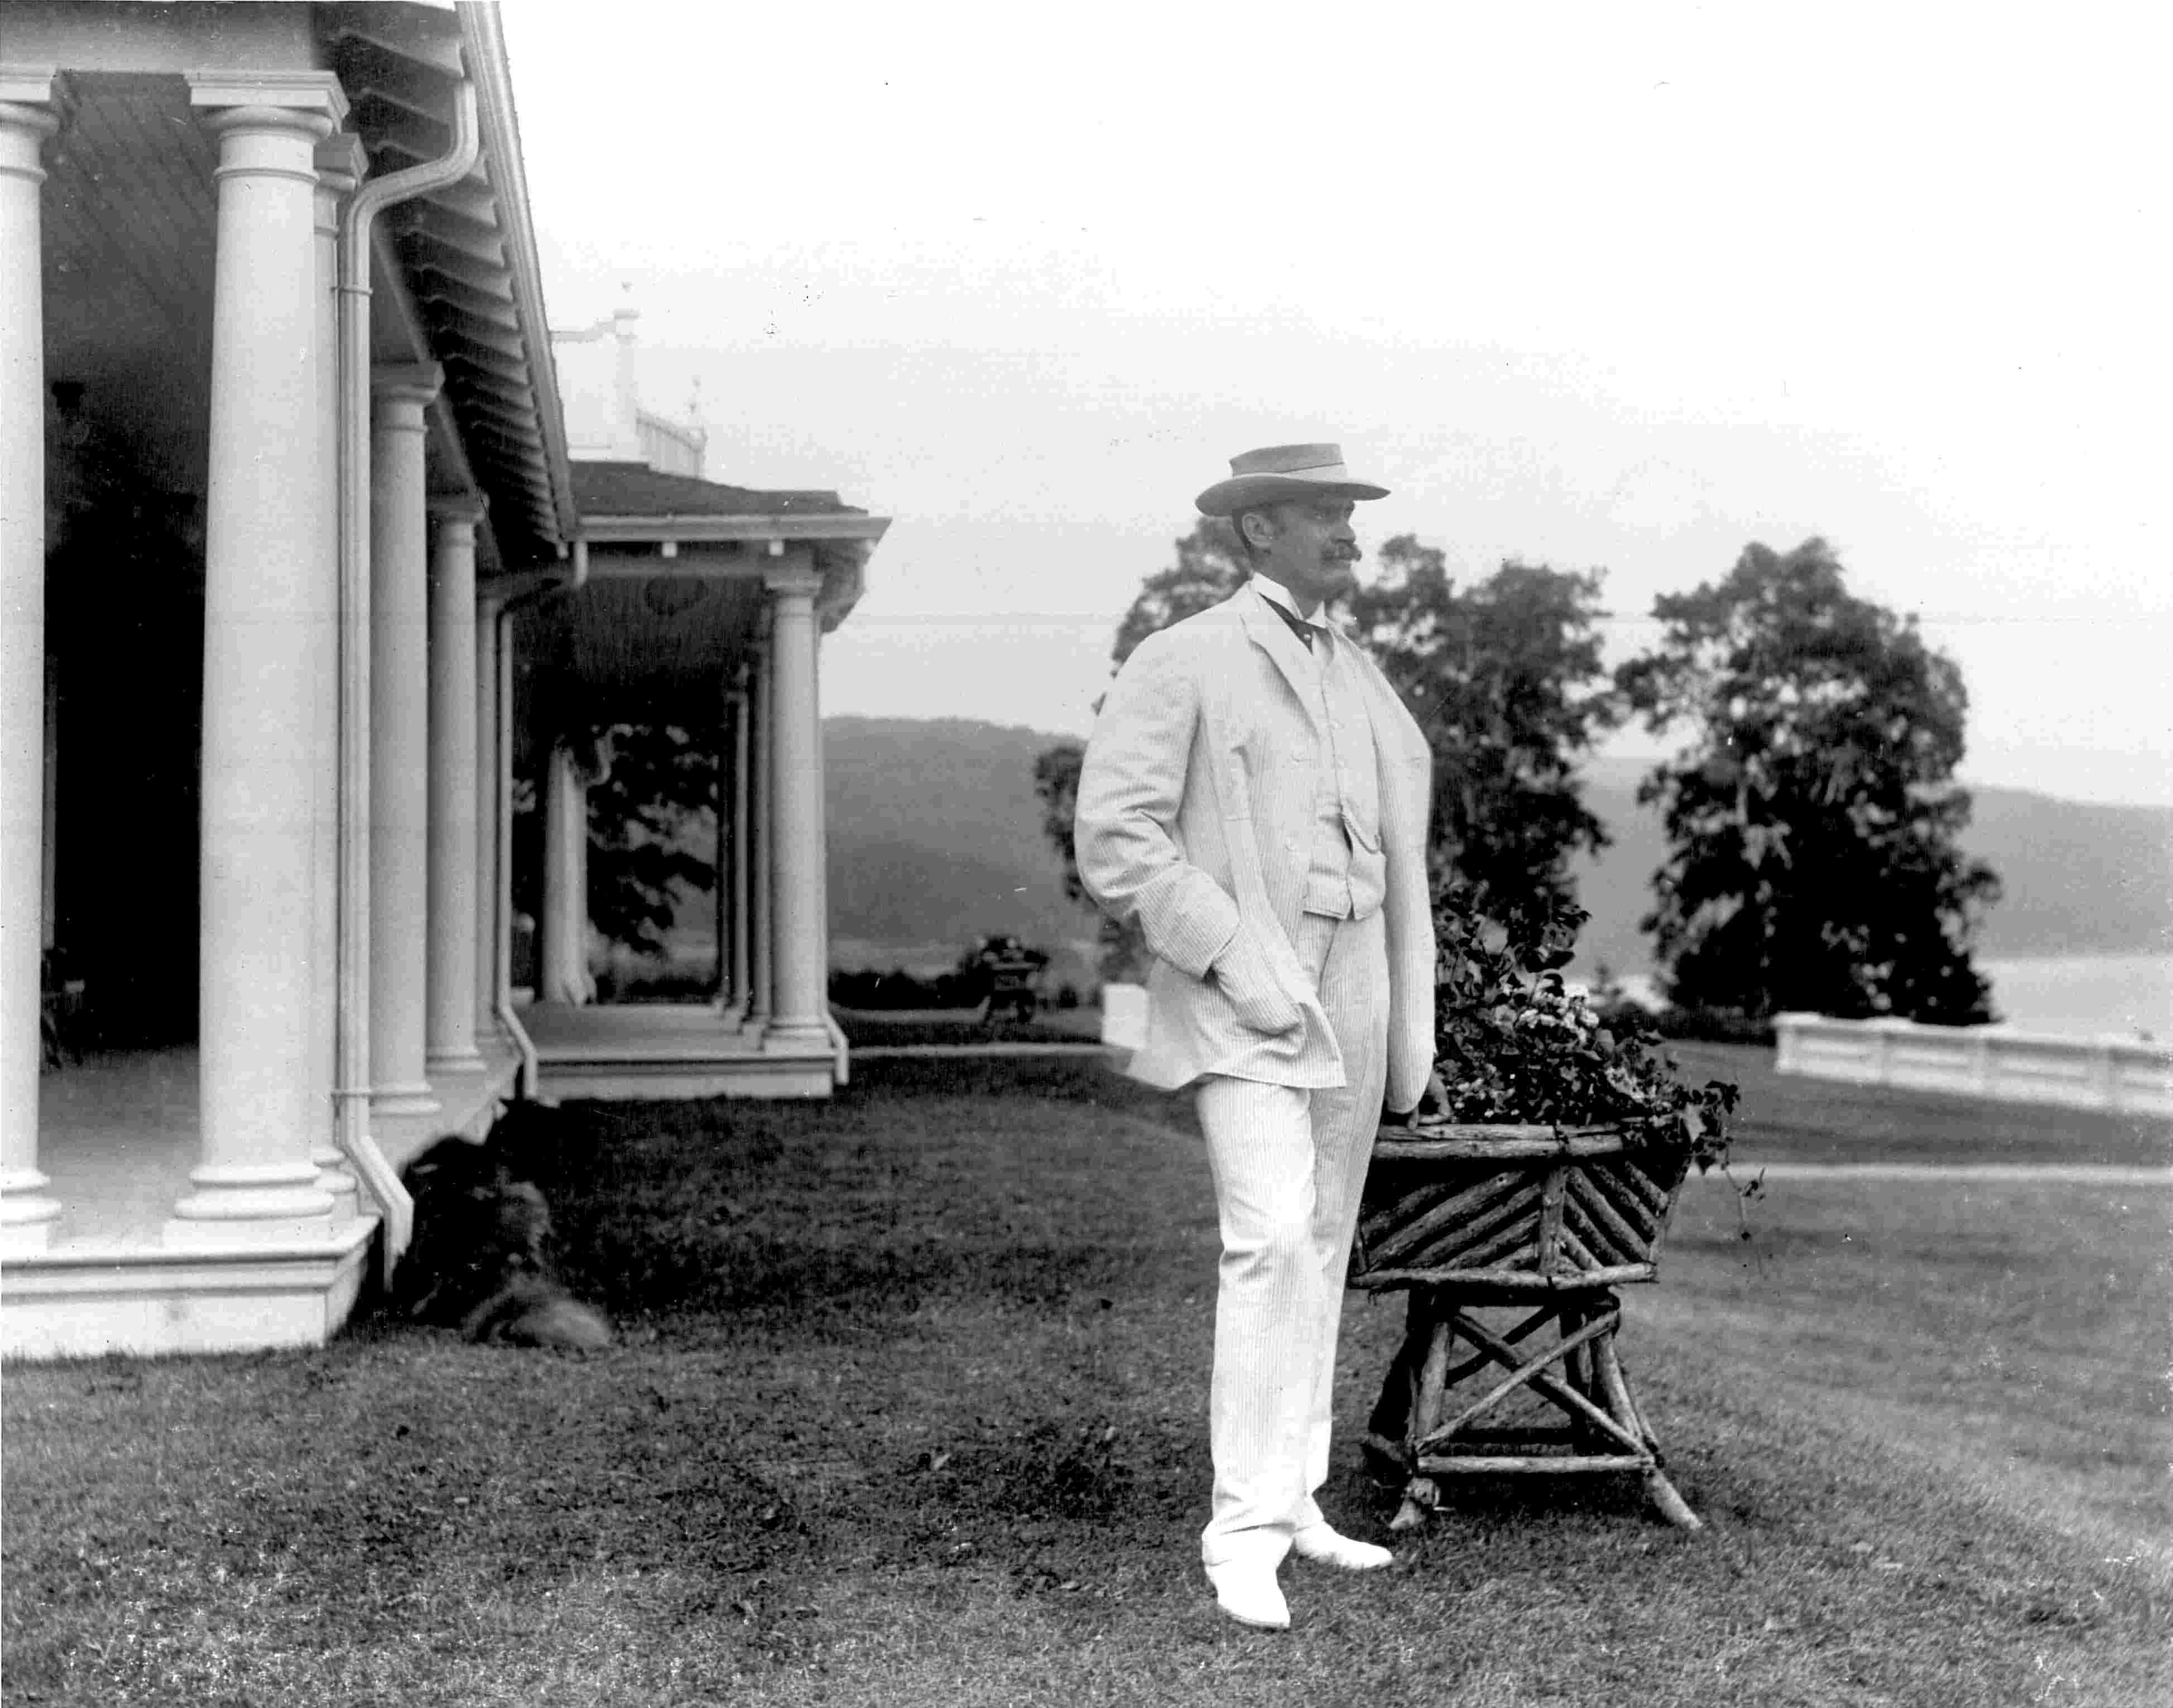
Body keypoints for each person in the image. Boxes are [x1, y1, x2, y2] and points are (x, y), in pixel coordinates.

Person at [1074, 442, 1441, 1630]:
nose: (1349, 531)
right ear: (1255, 533)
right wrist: (1234, 950)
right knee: (1269, 1233)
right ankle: (1238, 1532)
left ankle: (1293, 1500)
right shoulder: (1182, 659)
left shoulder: (1357, 671)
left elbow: (1395, 838)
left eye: (1350, 511)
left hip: (1356, 988)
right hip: (1244, 991)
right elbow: (1119, 837)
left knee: (1324, 1238)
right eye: (1323, 513)